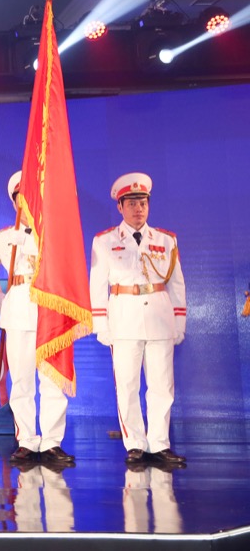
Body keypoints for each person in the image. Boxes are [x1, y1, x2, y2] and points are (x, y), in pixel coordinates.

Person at [90, 172, 186, 465]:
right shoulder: (104, 241)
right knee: (128, 385)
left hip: (159, 319)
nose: (138, 209)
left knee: (162, 386)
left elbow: (177, 285)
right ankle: (134, 444)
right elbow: (97, 286)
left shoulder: (166, 240)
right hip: (124, 320)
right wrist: (101, 325)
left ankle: (159, 444)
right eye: (131, 203)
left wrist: (179, 323)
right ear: (120, 207)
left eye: (143, 202)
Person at [0, 171, 74, 465]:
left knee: (52, 379)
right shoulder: (3, 237)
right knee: (21, 380)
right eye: (21, 198)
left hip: (51, 312)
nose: (27, 203)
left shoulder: (56, 233)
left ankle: (52, 442)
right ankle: (26, 440)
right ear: (14, 202)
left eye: (33, 197)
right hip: (18, 310)